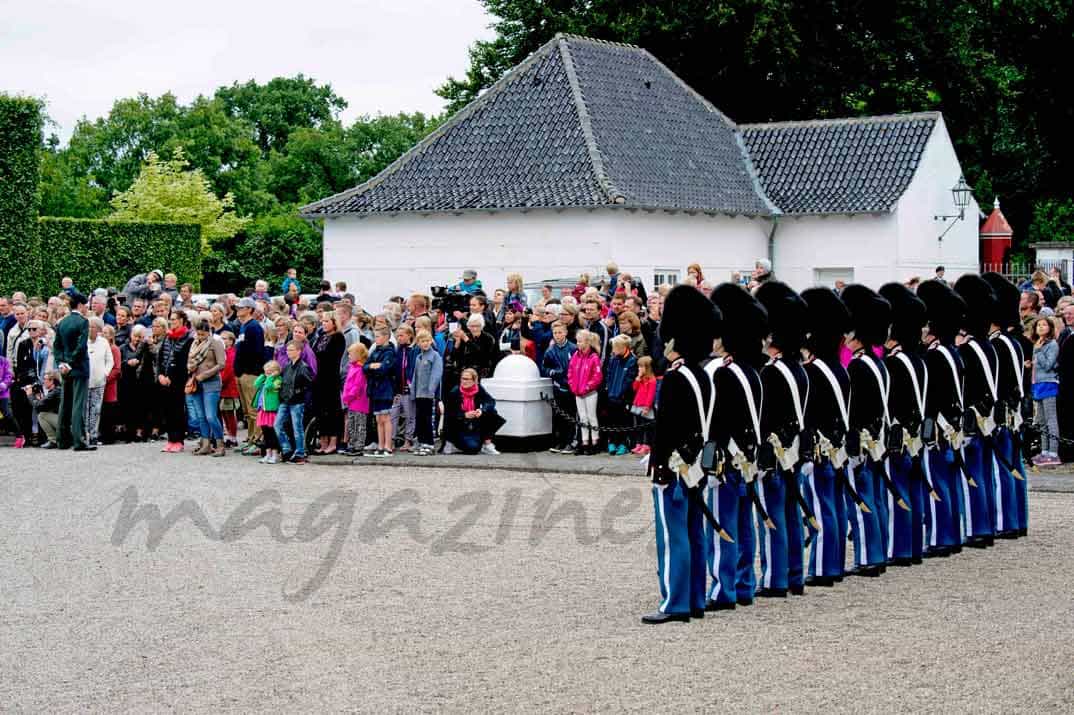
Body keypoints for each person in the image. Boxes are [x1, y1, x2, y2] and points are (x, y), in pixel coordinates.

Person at [641, 284, 722, 624]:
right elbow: (711, 427)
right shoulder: (703, 375)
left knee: (675, 537)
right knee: (694, 533)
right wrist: (705, 465)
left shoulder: (675, 378)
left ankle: (675, 602)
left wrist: (660, 467)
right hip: (698, 465)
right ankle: (695, 598)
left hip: (675, 468)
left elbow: (667, 430)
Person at [752, 281, 811, 598]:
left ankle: (776, 578)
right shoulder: (797, 368)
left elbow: (766, 418)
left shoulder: (773, 371)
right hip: (794, 451)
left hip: (776, 454)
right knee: (790, 513)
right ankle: (794, 574)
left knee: (774, 515)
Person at [840, 284, 892, 576]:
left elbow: (856, 409)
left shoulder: (859, 366)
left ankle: (869, 557)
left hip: (862, 440)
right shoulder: (876, 363)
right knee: (875, 496)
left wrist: (853, 444)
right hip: (877, 438)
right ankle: (878, 551)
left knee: (861, 500)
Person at [879, 282, 929, 566]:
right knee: (913, 488)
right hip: (916, 431)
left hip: (898, 432)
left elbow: (892, 402)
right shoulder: (918, 360)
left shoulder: (894, 362)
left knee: (897, 491)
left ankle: (899, 548)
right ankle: (914, 546)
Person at [916, 280, 967, 557]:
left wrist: (927, 425)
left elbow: (931, 397)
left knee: (936, 483)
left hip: (938, 426)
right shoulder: (953, 352)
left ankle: (939, 538)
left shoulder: (934, 355)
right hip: (952, 425)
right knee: (950, 482)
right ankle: (953, 534)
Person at [953, 275, 1002, 547]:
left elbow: (967, 387)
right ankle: (989, 524)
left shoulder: (970, 348)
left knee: (972, 474)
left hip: (973, 417)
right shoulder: (987, 346)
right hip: (988, 417)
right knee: (984, 472)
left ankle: (978, 528)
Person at [982, 272, 1029, 537]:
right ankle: (1017, 518)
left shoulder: (998, 344)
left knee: (1002, 468)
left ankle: (1005, 521)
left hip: (1000, 413)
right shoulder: (1013, 342)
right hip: (1013, 411)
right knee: (1013, 466)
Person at [53, 293, 92, 451]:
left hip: (65, 369)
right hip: (79, 367)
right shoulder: (83, 322)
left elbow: (57, 346)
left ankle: (62, 440)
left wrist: (61, 363)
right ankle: (79, 440)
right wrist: (70, 363)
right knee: (77, 405)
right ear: (81, 305)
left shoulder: (62, 322)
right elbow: (81, 346)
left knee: (65, 403)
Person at [187, 319, 227, 457]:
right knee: (201, 416)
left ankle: (220, 444)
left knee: (211, 416)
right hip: (196, 382)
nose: (200, 337)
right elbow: (191, 360)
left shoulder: (215, 343)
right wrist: (190, 367)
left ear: (208, 332)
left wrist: (206, 374)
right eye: (198, 334)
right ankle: (205, 444)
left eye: (203, 334)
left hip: (211, 382)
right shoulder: (194, 344)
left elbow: (221, 364)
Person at [442, 367, 505, 455]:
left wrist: (481, 410)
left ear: (474, 380)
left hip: (473, 423)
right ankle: (451, 443)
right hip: (458, 426)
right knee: (473, 449)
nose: (464, 381)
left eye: (467, 379)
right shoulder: (455, 392)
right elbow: (449, 414)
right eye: (462, 378)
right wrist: (464, 415)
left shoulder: (478, 389)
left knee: (492, 412)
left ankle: (487, 444)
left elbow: (490, 401)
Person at [156, 310, 193, 453]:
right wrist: (160, 374)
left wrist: (171, 377)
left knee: (177, 410)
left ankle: (178, 440)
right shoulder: (167, 337)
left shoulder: (188, 338)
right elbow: (160, 358)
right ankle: (170, 439)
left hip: (177, 380)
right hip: (164, 379)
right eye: (171, 319)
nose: (172, 322)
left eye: (175, 319)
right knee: (167, 410)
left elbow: (183, 362)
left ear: (182, 321)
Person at [233, 297, 265, 455]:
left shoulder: (254, 327)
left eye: (241, 307)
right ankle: (251, 438)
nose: (238, 310)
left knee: (253, 410)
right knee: (247, 412)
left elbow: (257, 352)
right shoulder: (243, 326)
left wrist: (249, 370)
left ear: (249, 310)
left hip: (251, 374)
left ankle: (258, 441)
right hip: (241, 373)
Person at [311, 312, 346, 455]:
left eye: (327, 321)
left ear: (334, 322)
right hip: (318, 379)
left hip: (330, 378)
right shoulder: (320, 337)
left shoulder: (338, 338)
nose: (323, 323)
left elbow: (332, 357)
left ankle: (333, 442)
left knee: (332, 411)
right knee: (320, 411)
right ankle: (323, 441)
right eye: (322, 321)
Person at [542, 322, 577, 454]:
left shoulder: (573, 348)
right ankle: (560, 441)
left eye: (560, 332)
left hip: (571, 387)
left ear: (566, 332)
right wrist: (553, 372)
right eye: (555, 333)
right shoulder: (550, 350)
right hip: (558, 387)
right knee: (559, 415)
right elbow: (544, 367)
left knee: (570, 415)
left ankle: (570, 442)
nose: (557, 335)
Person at [276, 341, 313, 464]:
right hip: (285, 400)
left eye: (291, 350)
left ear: (299, 351)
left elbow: (309, 384)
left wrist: (298, 392)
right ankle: (286, 449)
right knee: (277, 425)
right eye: (287, 350)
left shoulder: (303, 367)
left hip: (297, 401)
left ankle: (300, 453)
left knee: (297, 428)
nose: (288, 352)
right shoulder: (287, 366)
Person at [567, 330, 603, 455]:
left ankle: (595, 442)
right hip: (578, 392)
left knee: (591, 417)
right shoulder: (576, 356)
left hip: (590, 392)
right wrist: (573, 386)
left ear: (587, 342)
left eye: (580, 341)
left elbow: (597, 376)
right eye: (577, 341)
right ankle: (584, 442)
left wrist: (587, 387)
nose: (578, 344)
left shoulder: (593, 357)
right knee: (582, 417)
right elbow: (570, 372)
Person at [1031, 316, 1061, 466]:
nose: (1041, 327)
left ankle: (1053, 452)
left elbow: (1048, 364)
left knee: (1051, 419)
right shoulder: (1037, 343)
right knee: (1041, 420)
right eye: (1038, 325)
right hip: (1037, 383)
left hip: (1048, 383)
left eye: (1044, 325)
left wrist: (1038, 352)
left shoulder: (1052, 345)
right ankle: (1044, 450)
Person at [365, 326, 398, 457]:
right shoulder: (375, 351)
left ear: (385, 337)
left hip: (385, 388)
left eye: (377, 336)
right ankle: (380, 444)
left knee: (386, 417)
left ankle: (388, 446)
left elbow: (384, 368)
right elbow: (365, 367)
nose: (375, 339)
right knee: (378, 418)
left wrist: (375, 367)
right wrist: (373, 366)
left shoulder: (389, 352)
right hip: (375, 388)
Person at [603, 334, 637, 455]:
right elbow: (609, 375)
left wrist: (623, 394)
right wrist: (608, 389)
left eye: (616, 347)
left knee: (624, 421)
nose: (613, 350)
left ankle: (623, 443)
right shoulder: (613, 359)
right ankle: (612, 441)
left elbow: (629, 380)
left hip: (624, 398)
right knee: (612, 420)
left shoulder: (632, 360)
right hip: (612, 396)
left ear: (623, 347)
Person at [84, 317, 113, 447]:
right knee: (85, 409)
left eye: (93, 327)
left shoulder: (103, 342)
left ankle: (94, 434)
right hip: (85, 382)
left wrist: (105, 374)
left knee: (95, 409)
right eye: (89, 327)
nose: (91, 330)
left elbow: (109, 360)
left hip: (99, 381)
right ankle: (85, 435)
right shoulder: (83, 341)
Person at [390, 324, 418, 452]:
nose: (399, 338)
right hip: (397, 389)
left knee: (409, 415)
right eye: (397, 336)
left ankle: (408, 439)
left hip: (408, 389)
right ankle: (391, 439)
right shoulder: (397, 350)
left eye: (402, 335)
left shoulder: (413, 350)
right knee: (393, 415)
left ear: (409, 336)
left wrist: (410, 383)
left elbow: (412, 369)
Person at [341, 342, 370, 457]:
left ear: (358, 355)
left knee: (359, 425)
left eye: (351, 354)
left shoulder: (361, 369)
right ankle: (352, 444)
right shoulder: (352, 367)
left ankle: (359, 446)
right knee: (351, 425)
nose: (349, 356)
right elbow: (348, 384)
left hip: (359, 402)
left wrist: (348, 396)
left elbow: (357, 386)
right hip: (351, 402)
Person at [252, 361, 283, 463]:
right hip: (263, 410)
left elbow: (270, 387)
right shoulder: (265, 379)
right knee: (266, 433)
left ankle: (275, 454)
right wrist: (263, 375)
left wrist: (271, 377)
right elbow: (255, 384)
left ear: (276, 372)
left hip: (271, 410)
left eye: (270, 372)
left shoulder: (277, 380)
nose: (267, 374)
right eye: (266, 372)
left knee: (272, 433)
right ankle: (268, 453)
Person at [99, 324, 123, 444]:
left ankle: (109, 437)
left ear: (111, 336)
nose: (103, 335)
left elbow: (117, 369)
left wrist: (105, 378)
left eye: (106, 333)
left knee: (108, 411)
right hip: (99, 383)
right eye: (102, 333)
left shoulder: (114, 349)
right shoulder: (100, 348)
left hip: (109, 384)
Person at [27, 371, 62, 448]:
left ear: (52, 381)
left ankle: (53, 440)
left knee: (41, 416)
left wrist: (30, 395)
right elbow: (42, 406)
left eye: (45, 379)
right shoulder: (57, 390)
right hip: (65, 422)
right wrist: (39, 399)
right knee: (43, 413)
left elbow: (37, 406)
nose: (43, 382)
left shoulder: (55, 392)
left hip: (65, 424)